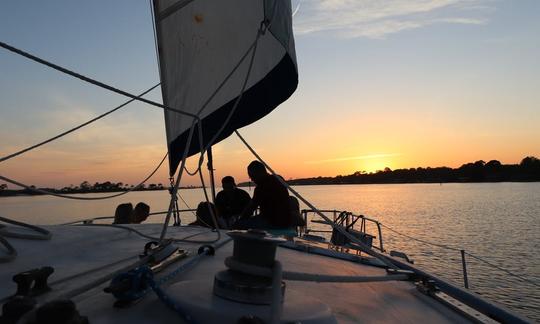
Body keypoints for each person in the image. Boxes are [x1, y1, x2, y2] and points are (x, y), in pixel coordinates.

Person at [234, 161, 293, 229]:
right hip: (286, 220)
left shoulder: (261, 187)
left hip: (272, 222)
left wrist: (241, 219)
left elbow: (251, 208)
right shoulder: (278, 178)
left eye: (252, 176)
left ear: (259, 173)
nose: (251, 179)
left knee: (238, 224)